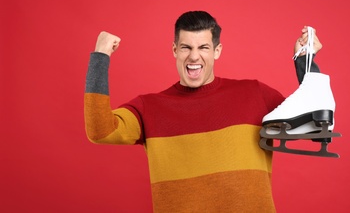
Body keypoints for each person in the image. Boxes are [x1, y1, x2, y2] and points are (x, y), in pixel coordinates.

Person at [84, 11, 322, 212]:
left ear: (217, 51)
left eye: (203, 47)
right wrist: (100, 57)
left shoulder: (255, 93)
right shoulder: (150, 108)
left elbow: (315, 126)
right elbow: (101, 131)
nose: (194, 56)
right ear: (174, 50)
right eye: (186, 47)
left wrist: (305, 60)